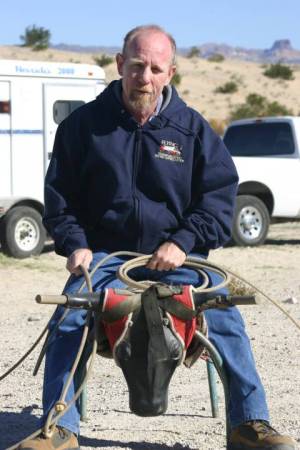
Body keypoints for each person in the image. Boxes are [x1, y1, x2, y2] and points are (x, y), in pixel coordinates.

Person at [19, 25, 296, 450]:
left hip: (181, 258)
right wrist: (75, 244)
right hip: (107, 258)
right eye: (136, 66)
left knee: (225, 312)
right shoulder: (81, 128)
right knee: (70, 316)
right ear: (119, 66)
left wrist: (184, 241)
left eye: (155, 68)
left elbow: (218, 202)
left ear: (170, 73)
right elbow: (61, 201)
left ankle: (249, 424)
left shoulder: (195, 132)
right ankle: (59, 426)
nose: (144, 77)